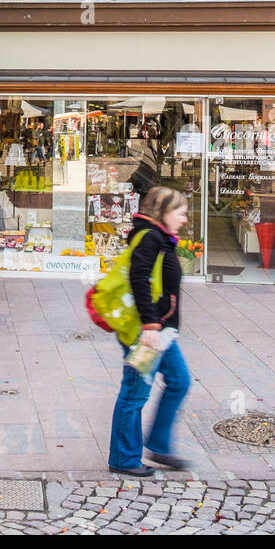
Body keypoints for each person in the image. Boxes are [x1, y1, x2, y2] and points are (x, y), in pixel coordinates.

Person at [108, 186, 193, 476]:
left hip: (163, 333)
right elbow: (139, 278)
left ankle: (159, 445)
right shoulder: (150, 238)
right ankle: (123, 459)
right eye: (180, 213)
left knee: (179, 381)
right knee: (134, 393)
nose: (184, 219)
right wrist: (150, 324)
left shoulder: (161, 238)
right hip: (147, 333)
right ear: (164, 213)